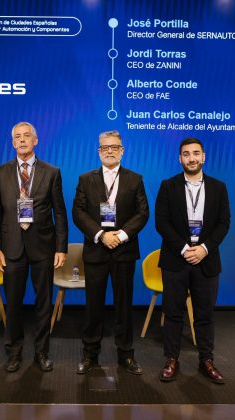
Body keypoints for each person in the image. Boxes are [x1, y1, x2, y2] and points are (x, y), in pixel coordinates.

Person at [0, 121, 68, 373]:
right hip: (11, 248)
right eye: (18, 137)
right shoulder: (1, 172)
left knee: (43, 303)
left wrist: (61, 248)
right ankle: (13, 353)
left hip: (43, 247)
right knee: (13, 304)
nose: (22, 140)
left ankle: (42, 353)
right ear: (13, 143)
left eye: (27, 136)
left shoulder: (51, 172)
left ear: (36, 141)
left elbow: (60, 212)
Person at [72, 130, 149, 375]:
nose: (109, 151)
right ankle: (90, 354)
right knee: (93, 306)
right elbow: (78, 213)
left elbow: (143, 213)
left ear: (122, 151)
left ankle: (126, 355)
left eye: (114, 147)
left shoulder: (135, 179)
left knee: (124, 306)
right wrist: (101, 235)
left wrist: (121, 235)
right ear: (99, 151)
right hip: (96, 250)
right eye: (105, 147)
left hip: (124, 251)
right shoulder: (86, 179)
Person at [155, 137, 230, 384]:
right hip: (176, 260)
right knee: (173, 313)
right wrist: (185, 248)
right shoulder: (168, 186)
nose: (191, 158)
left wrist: (204, 249)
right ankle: (171, 359)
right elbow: (161, 222)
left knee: (205, 315)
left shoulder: (219, 187)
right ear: (180, 159)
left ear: (203, 157)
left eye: (196, 153)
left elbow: (224, 223)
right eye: (186, 154)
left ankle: (206, 360)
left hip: (207, 261)